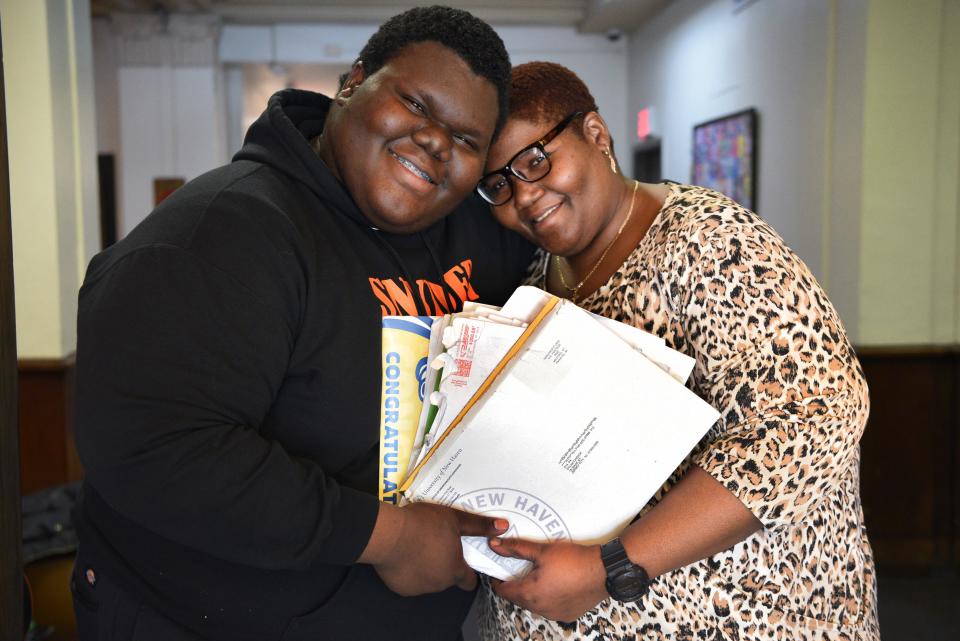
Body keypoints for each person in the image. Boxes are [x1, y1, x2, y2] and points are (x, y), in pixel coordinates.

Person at [70, 7, 534, 641]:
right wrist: (389, 537)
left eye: (467, 139)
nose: (436, 141)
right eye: (417, 105)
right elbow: (153, 448)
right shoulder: (222, 230)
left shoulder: (478, 239)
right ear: (352, 83)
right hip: (195, 617)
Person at [474, 61, 879, 641]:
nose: (525, 195)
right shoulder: (542, 276)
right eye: (499, 185)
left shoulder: (710, 244)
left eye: (536, 161)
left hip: (749, 619)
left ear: (595, 133)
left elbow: (815, 419)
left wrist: (611, 567)